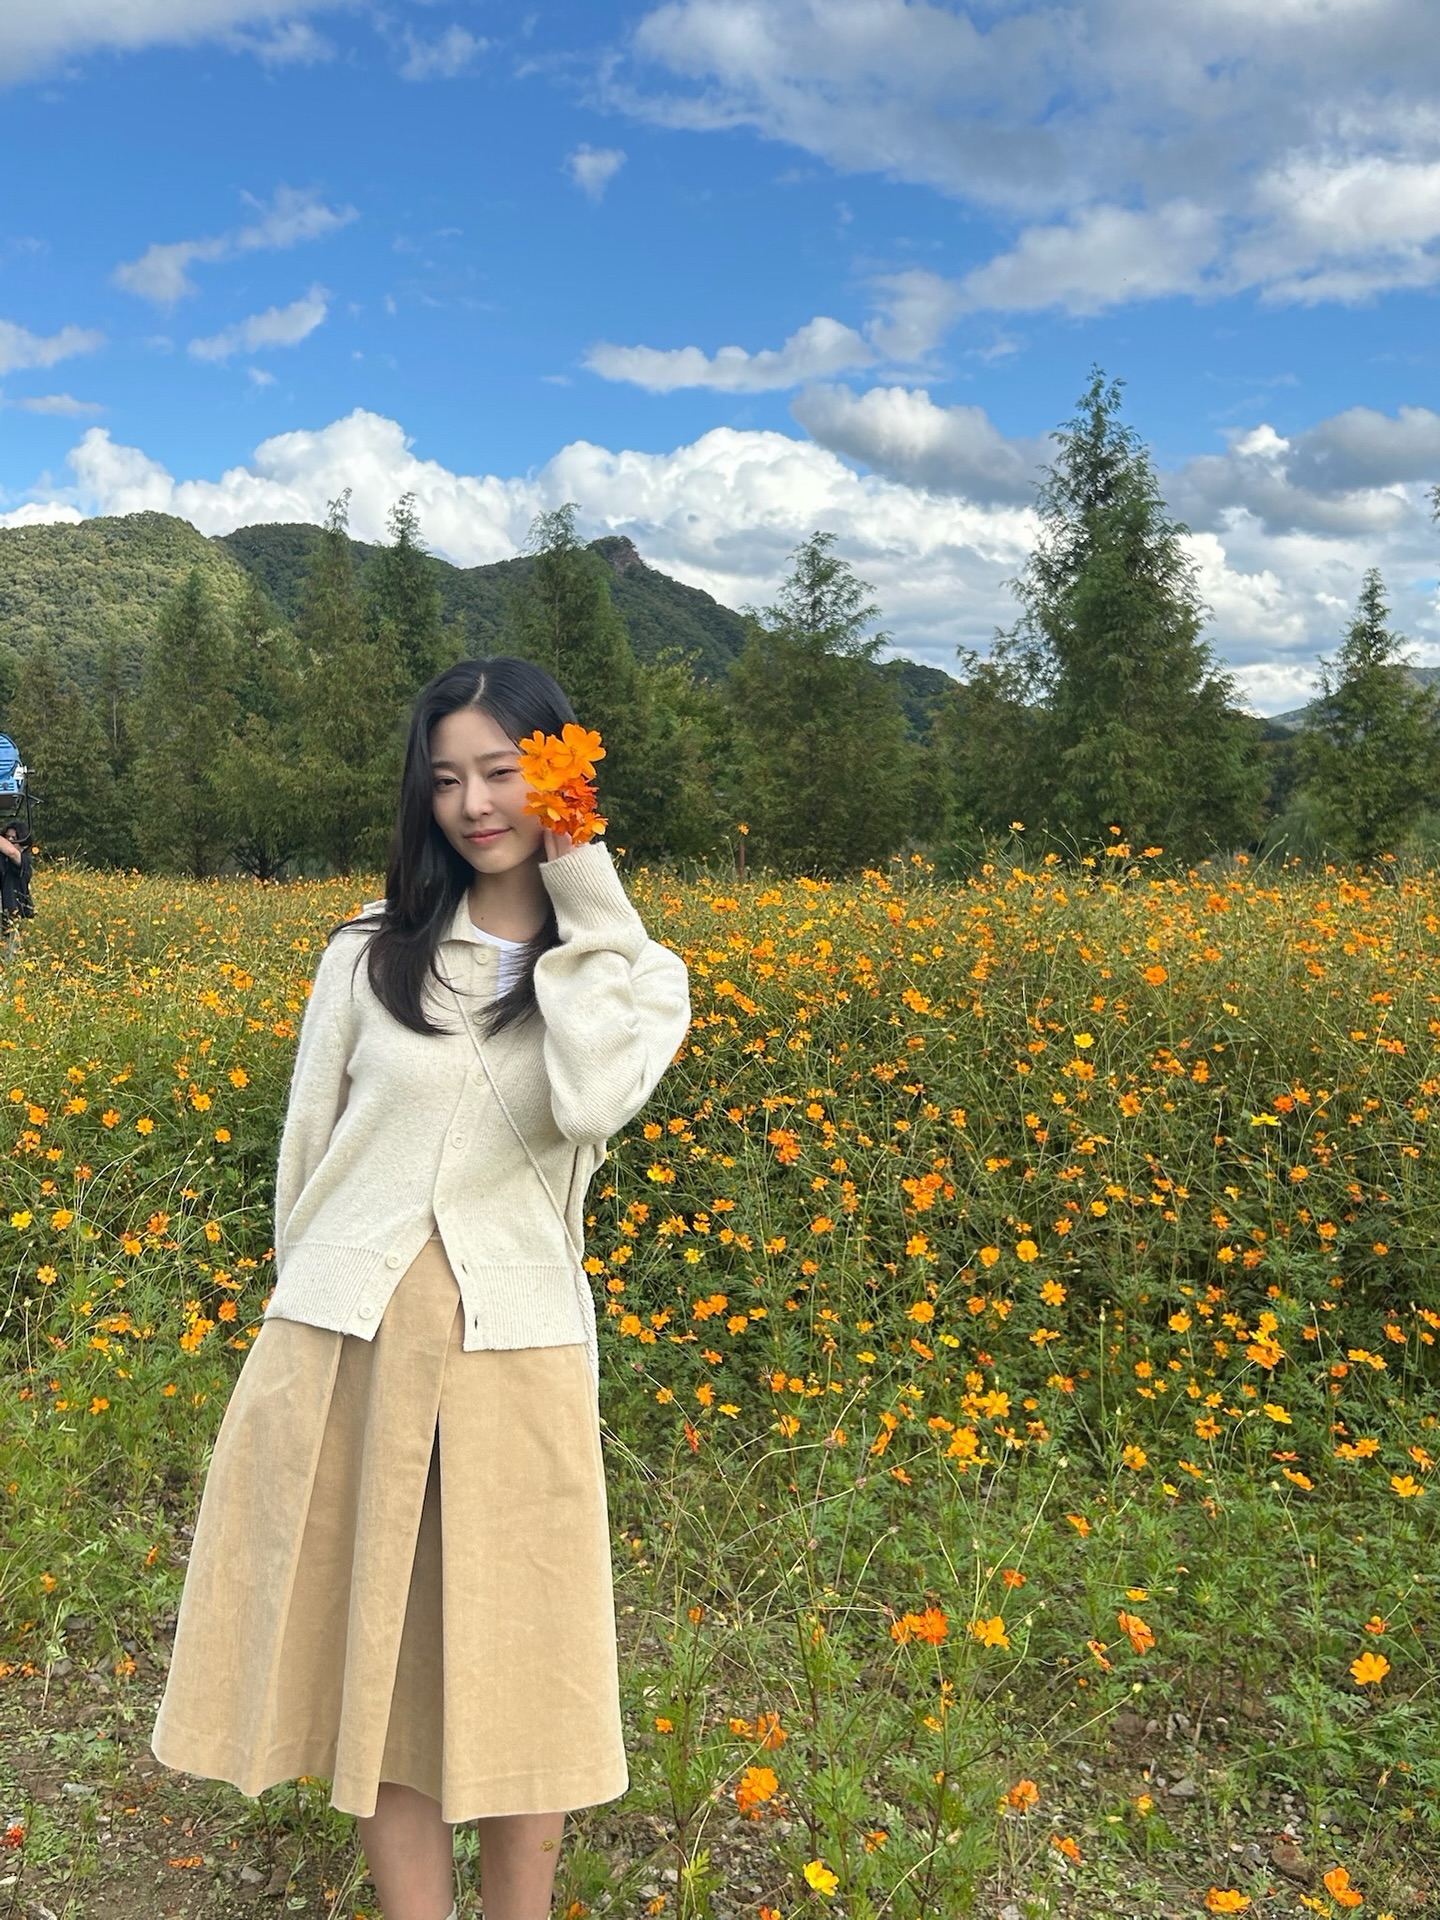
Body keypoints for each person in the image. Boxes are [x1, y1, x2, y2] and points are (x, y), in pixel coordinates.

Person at [150, 657, 692, 1920]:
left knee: (526, 1669)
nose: (473, 804)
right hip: (350, 1338)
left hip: (517, 1344)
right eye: (446, 779)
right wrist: (305, 1310)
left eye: (502, 772)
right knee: (381, 1674)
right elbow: (307, 1156)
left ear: (563, 778)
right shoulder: (366, 953)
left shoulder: (632, 973)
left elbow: (592, 1100)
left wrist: (584, 890)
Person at [0, 819, 34, 942]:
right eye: (6, 837)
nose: (9, 841)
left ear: (23, 844)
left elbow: (12, 852)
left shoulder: (24, 861)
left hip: (11, 914)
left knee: (10, 948)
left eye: (14, 838)